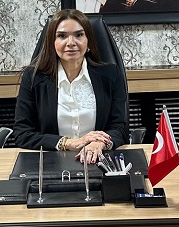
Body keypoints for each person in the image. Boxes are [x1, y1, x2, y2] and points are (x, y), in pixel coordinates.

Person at [13, 9, 128, 164]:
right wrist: (69, 143)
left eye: (79, 35)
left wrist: (99, 144)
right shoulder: (33, 77)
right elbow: (22, 134)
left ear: (88, 41)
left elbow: (119, 128)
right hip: (51, 163)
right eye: (62, 36)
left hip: (99, 161)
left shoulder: (111, 74)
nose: (71, 43)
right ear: (52, 43)